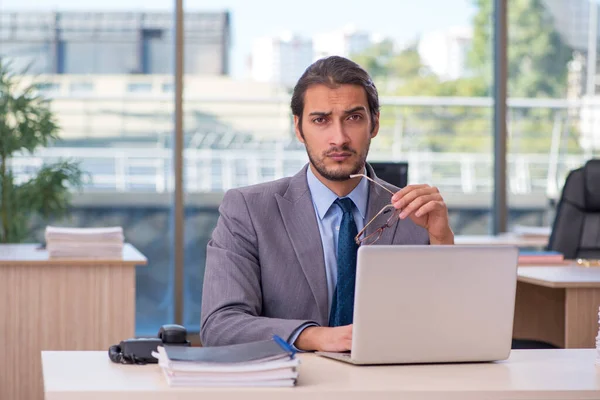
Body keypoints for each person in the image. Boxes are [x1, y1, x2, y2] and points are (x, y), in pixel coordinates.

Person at [200, 55, 454, 352]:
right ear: (298, 128)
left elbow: (448, 327)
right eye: (321, 120)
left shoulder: (415, 212)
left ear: (374, 124)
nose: (339, 138)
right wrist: (315, 336)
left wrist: (442, 241)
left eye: (354, 118)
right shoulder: (248, 209)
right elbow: (220, 324)